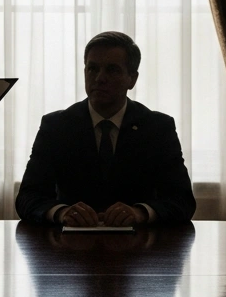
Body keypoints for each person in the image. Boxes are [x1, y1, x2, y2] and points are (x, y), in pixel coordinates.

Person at [16, 31, 196, 226]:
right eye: (92, 69)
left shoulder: (157, 128)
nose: (100, 78)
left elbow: (182, 201)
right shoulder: (57, 127)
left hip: (140, 250)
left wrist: (140, 213)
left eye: (112, 70)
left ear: (132, 79)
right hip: (70, 248)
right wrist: (62, 213)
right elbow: (28, 197)